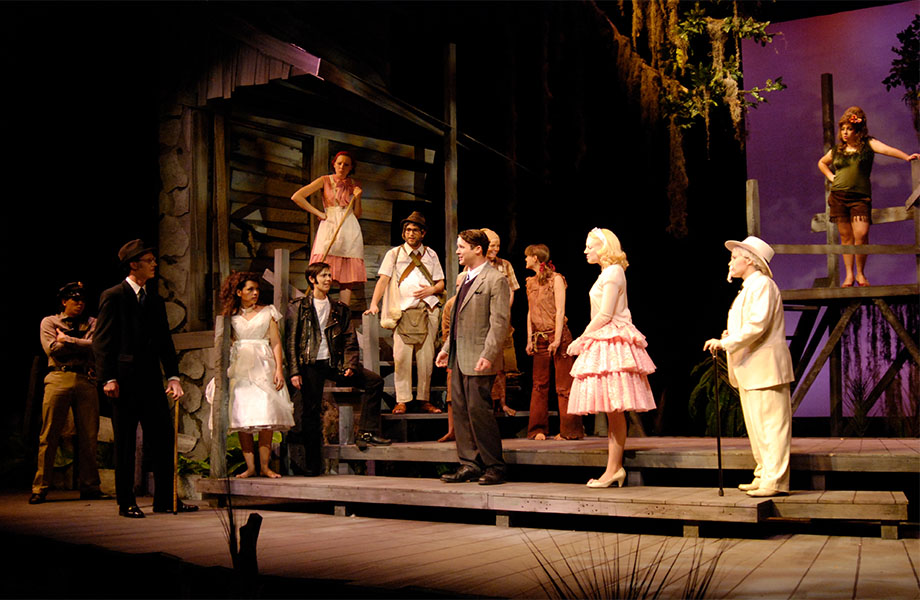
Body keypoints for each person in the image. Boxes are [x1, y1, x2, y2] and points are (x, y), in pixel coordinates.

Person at [93, 240, 198, 518]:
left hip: (151, 381)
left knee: (163, 440)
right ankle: (126, 501)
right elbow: (102, 342)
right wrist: (108, 378)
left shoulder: (154, 299)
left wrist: (174, 376)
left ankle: (166, 499)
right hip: (124, 383)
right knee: (126, 443)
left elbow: (165, 341)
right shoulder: (114, 295)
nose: (154, 264)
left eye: (154, 259)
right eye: (149, 260)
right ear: (133, 264)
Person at [704, 236, 794, 498]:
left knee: (772, 426)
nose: (731, 262)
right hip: (751, 368)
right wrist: (728, 336)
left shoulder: (763, 285)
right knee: (758, 427)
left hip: (765, 368)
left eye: (735, 257)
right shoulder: (749, 288)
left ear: (750, 260)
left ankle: (775, 479)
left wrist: (727, 343)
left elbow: (758, 325)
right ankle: (764, 473)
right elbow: (749, 325)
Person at [567, 228, 656, 488]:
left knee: (615, 409)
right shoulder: (606, 273)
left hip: (613, 339)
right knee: (611, 410)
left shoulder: (614, 272)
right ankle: (613, 469)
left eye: (590, 246)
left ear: (604, 248)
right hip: (605, 337)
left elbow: (606, 314)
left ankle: (614, 469)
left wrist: (581, 339)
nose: (585, 251)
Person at [286, 262, 391, 474]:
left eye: (329, 275)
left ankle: (367, 432)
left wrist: (350, 364)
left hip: (334, 363)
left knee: (374, 381)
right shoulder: (298, 307)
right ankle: (312, 465)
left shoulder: (339, 309)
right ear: (312, 279)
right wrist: (295, 371)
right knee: (310, 412)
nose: (328, 279)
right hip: (310, 364)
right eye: (323, 276)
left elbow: (349, 340)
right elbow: (291, 342)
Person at [436, 229, 511, 485]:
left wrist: (489, 354)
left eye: (461, 247)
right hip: (459, 355)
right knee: (460, 410)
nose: (457, 251)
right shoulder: (465, 278)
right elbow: (457, 320)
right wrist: (446, 348)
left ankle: (494, 465)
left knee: (479, 411)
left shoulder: (495, 279)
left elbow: (499, 323)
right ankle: (469, 463)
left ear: (477, 249)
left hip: (480, 356)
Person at [817, 106, 920, 288]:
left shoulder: (868, 145)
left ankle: (860, 273)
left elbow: (887, 150)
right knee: (846, 237)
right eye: (843, 129)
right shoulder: (838, 150)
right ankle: (849, 276)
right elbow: (822, 162)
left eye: (849, 128)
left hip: (860, 197)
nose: (845, 132)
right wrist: (832, 177)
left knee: (862, 234)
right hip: (839, 196)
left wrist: (906, 157)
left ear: (858, 130)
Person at [30, 282, 108, 504]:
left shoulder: (92, 322)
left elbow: (97, 346)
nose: (80, 304)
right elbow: (52, 349)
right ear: (64, 301)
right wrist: (80, 344)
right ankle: (40, 487)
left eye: (83, 300)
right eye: (75, 300)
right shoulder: (50, 321)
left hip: (86, 378)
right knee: (49, 434)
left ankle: (90, 486)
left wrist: (68, 340)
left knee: (89, 436)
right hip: (58, 377)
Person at [365, 211, 445, 415]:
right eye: (408, 230)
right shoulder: (394, 254)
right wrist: (374, 303)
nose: (411, 233)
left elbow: (441, 283)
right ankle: (402, 400)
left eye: (415, 230)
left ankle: (424, 399)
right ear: (403, 234)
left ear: (423, 233)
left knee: (427, 359)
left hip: (427, 310)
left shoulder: (431, 254)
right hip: (403, 312)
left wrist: (431, 290)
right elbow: (383, 280)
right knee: (401, 357)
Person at [218, 272, 295, 479]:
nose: (254, 293)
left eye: (256, 289)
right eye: (250, 289)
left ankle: (265, 467)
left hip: (264, 364)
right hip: (241, 366)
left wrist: (279, 369)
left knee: (265, 414)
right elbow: (228, 342)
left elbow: (276, 342)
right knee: (243, 417)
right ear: (238, 292)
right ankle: (250, 467)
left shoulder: (268, 312)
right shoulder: (231, 315)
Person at [523, 244, 584, 441]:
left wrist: (557, 339)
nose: (525, 260)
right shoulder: (530, 282)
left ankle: (570, 430)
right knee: (539, 385)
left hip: (558, 338)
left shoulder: (556, 279)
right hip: (539, 338)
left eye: (527, 256)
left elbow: (560, 310)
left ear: (534, 257)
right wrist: (529, 338)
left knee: (564, 386)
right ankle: (537, 429)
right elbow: (530, 312)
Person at [291, 151, 367, 307]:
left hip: (349, 227)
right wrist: (319, 212)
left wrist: (358, 197)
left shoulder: (353, 184)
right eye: (339, 163)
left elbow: (357, 213)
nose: (342, 167)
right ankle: (319, 306)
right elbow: (297, 196)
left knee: (347, 275)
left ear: (351, 167)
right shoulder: (324, 180)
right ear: (334, 164)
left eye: (346, 164)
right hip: (331, 225)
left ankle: (343, 311)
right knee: (322, 268)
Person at [479, 228, 519, 416]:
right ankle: (486, 404)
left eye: (498, 245)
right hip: (481, 319)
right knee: (485, 362)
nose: (496, 249)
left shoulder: (505, 265)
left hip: (501, 318)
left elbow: (511, 290)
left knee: (501, 365)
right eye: (492, 245)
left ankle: (502, 403)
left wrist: (503, 310)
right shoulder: (476, 264)